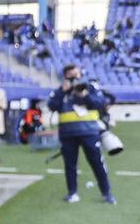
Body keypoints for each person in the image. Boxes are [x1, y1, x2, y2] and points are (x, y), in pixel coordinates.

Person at [48, 62, 115, 204]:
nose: (76, 78)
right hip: (68, 134)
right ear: (65, 76)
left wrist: (85, 95)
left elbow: (100, 104)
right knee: (70, 165)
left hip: (89, 132)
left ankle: (106, 193)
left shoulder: (90, 89)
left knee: (97, 162)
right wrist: (62, 91)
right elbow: (52, 105)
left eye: (77, 74)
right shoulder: (60, 90)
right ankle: (72, 193)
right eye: (72, 75)